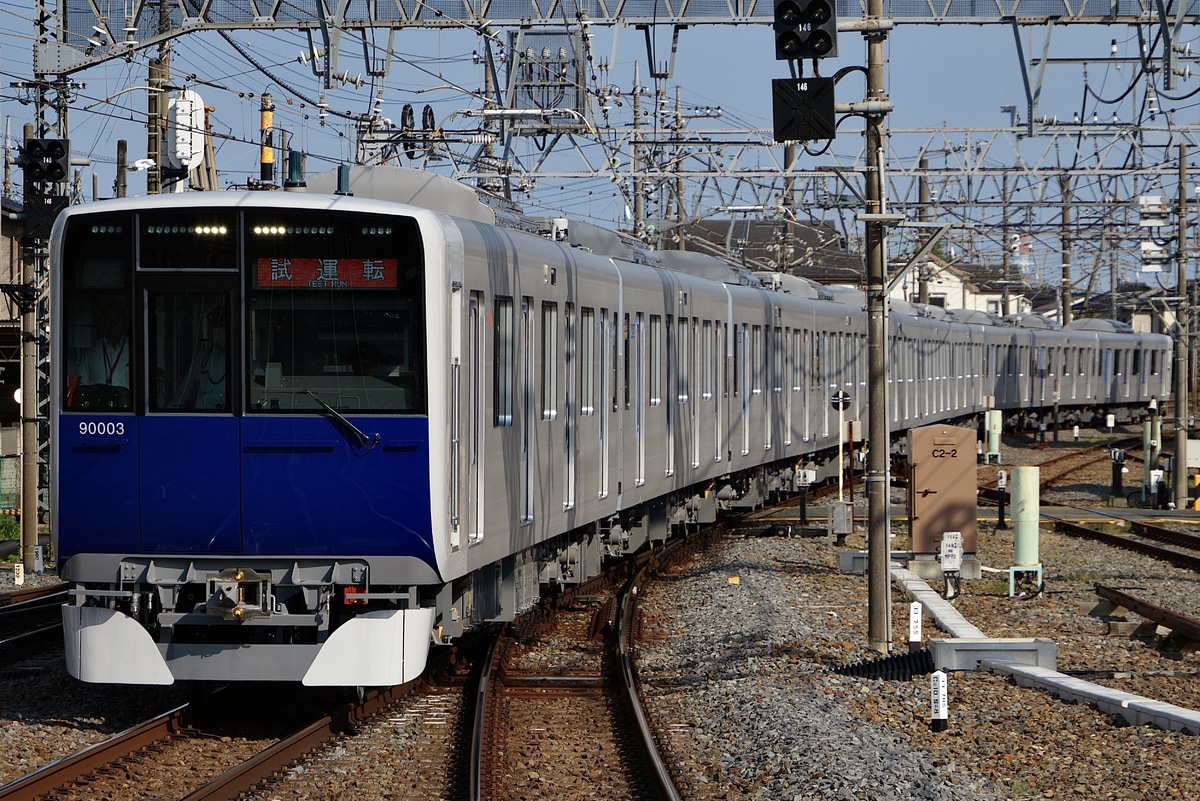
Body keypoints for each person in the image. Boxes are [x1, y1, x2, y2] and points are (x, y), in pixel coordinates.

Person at [172, 305, 228, 410]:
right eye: (215, 326)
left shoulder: (246, 361)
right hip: (203, 419)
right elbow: (184, 393)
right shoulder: (201, 359)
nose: (218, 330)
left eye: (222, 325)